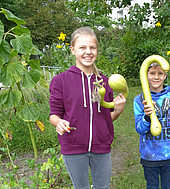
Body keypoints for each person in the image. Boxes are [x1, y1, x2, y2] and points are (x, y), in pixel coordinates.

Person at [49, 27, 126, 189]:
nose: (88, 52)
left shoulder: (105, 82)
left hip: (101, 146)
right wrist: (59, 123)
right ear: (73, 50)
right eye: (82, 47)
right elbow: (53, 115)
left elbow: (106, 118)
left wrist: (117, 111)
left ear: (97, 50)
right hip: (73, 146)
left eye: (92, 47)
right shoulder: (61, 81)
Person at [133, 63, 170, 189]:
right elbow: (140, 129)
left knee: (168, 186)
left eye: (160, 73)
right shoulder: (139, 100)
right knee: (152, 186)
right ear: (146, 75)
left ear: (165, 76)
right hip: (149, 155)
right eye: (152, 73)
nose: (156, 77)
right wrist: (147, 116)